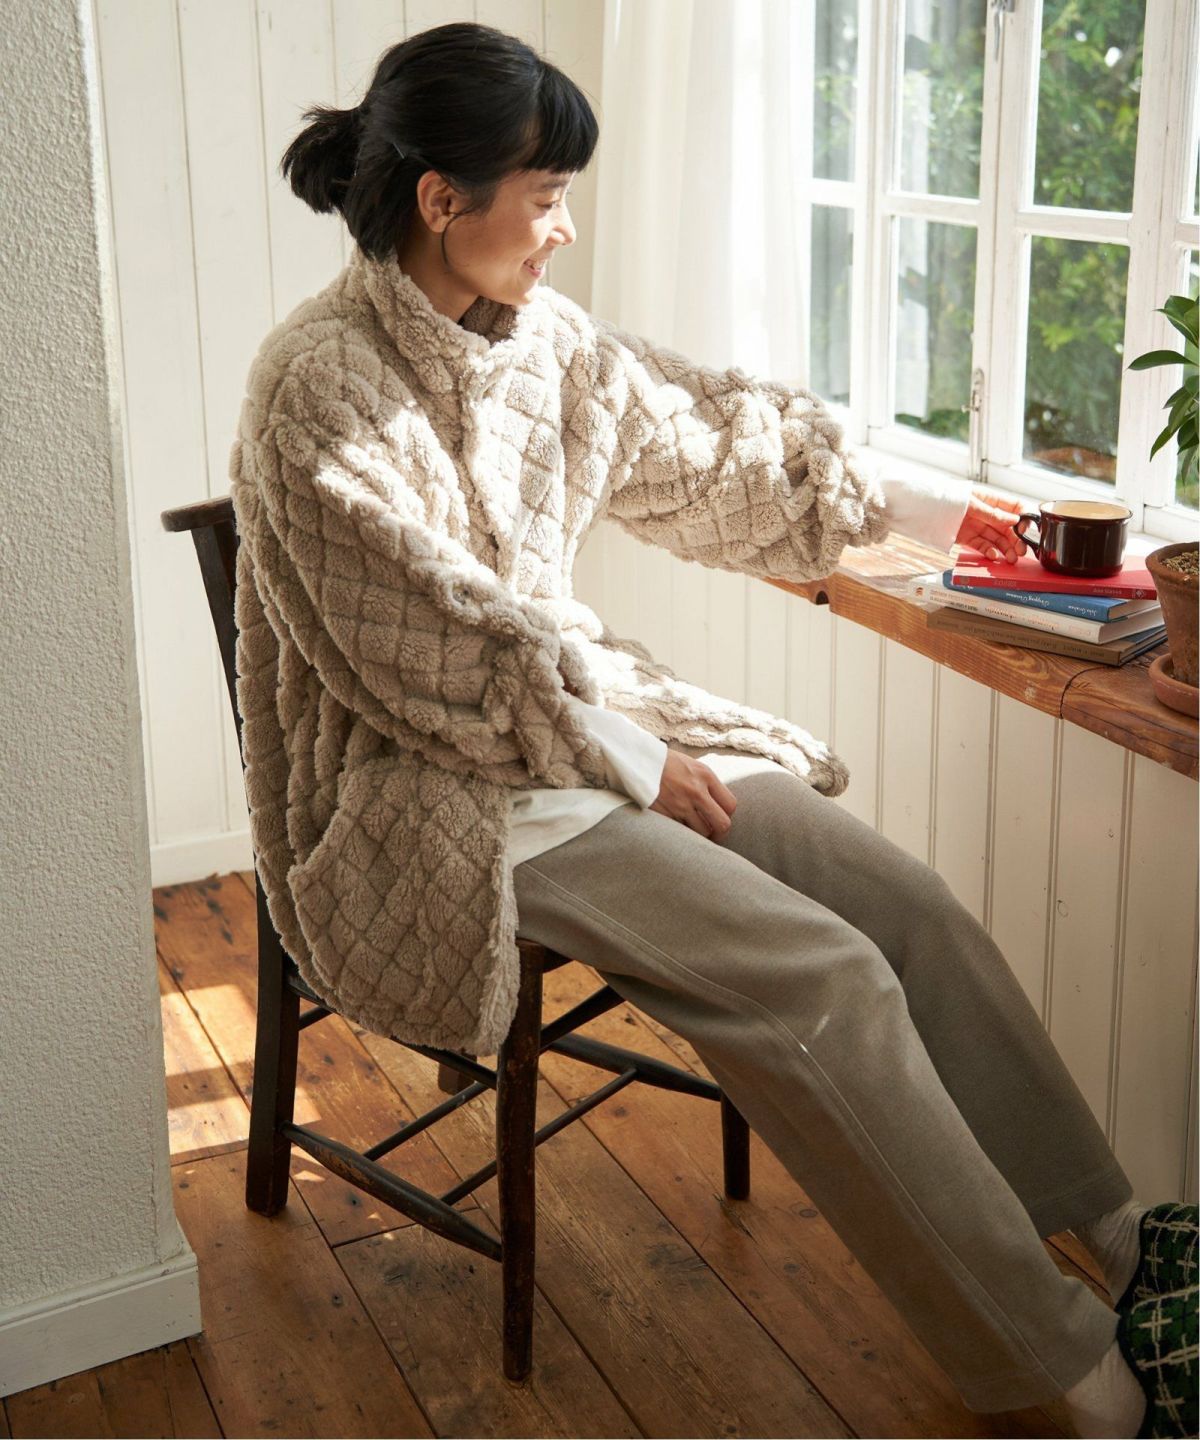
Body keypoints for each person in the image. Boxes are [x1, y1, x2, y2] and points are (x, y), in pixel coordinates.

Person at [250, 20, 1197, 1438]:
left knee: (908, 908)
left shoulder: (544, 346)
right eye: (547, 197)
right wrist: (638, 762)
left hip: (585, 734)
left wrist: (959, 518)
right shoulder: (312, 386)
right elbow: (433, 656)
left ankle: (1118, 1240)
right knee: (822, 979)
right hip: (421, 789)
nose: (566, 230)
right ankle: (1076, 1379)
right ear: (443, 199)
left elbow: (710, 454)